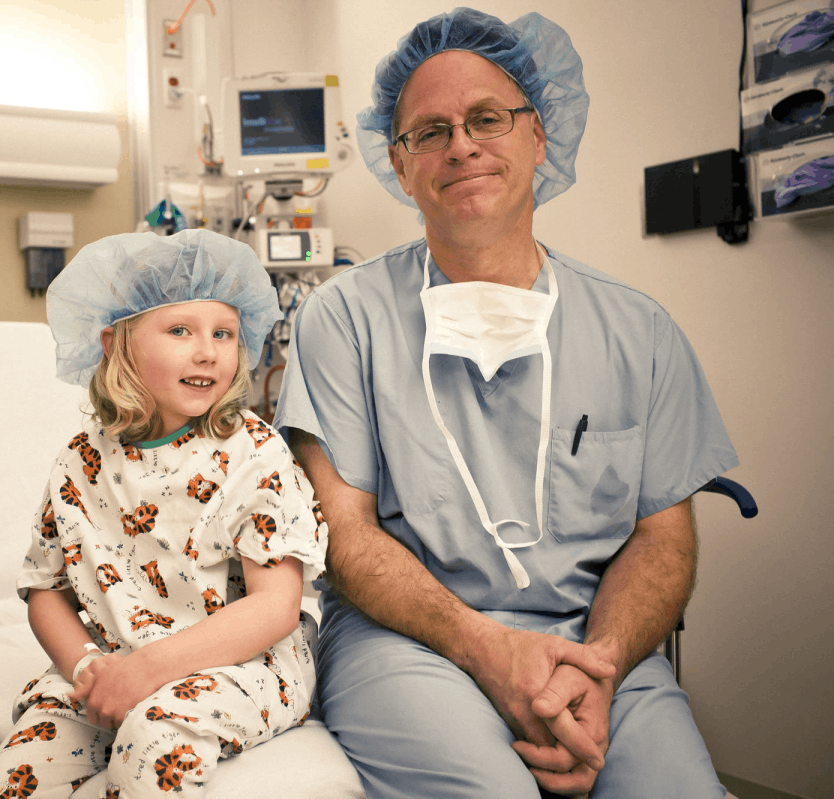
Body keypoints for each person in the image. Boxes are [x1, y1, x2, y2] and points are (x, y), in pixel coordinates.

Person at [273, 8, 739, 799]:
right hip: (408, 642)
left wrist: (601, 665)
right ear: (401, 164)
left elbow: (662, 538)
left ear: (540, 135)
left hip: (594, 643)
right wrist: (489, 649)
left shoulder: (638, 331)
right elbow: (345, 536)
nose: (461, 145)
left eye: (487, 118)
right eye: (430, 132)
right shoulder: (345, 318)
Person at [0, 229, 326, 799]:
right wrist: (87, 668)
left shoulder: (253, 454)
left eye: (224, 333)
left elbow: (274, 607)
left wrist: (148, 672)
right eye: (180, 330)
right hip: (112, 668)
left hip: (239, 667)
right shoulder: (81, 461)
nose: (207, 351)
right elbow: (46, 592)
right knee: (5, 785)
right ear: (116, 344)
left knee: (153, 745)